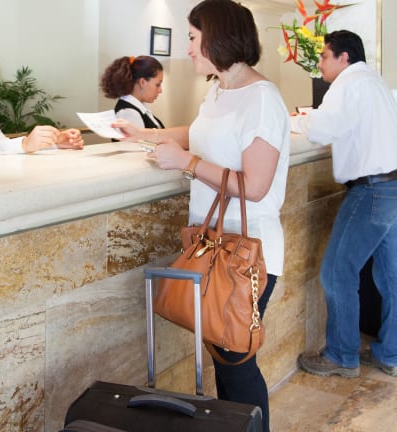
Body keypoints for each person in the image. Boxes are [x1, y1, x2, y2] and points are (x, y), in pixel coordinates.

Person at [113, 1, 290, 430]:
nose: (188, 48)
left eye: (192, 38)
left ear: (218, 37)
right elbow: (197, 133)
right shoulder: (220, 90)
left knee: (235, 361)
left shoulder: (262, 99)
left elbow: (255, 186)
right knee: (224, 358)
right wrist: (143, 133)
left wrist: (187, 164)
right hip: (215, 247)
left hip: (249, 254)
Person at [296, 30, 397, 379]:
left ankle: (341, 355)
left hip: (371, 190)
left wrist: (298, 119)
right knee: (391, 277)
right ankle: (391, 354)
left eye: (324, 56)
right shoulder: (375, 82)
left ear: (344, 57)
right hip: (392, 187)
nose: (320, 63)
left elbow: (321, 129)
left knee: (337, 272)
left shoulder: (349, 83)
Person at [100, 55, 165, 129]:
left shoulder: (140, 108)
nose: (160, 90)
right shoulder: (129, 113)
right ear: (142, 82)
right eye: (158, 85)